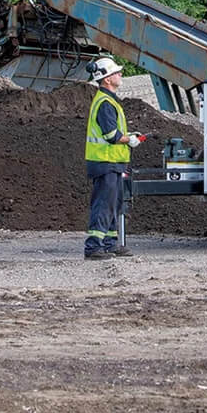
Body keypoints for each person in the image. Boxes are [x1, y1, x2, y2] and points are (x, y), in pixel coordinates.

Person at [84, 56, 146, 260]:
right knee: (104, 204)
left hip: (112, 163)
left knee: (113, 204)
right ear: (107, 79)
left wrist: (128, 138)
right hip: (105, 162)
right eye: (116, 73)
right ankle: (93, 246)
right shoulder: (105, 103)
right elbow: (111, 135)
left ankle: (110, 243)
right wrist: (130, 140)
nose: (120, 75)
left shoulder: (109, 101)